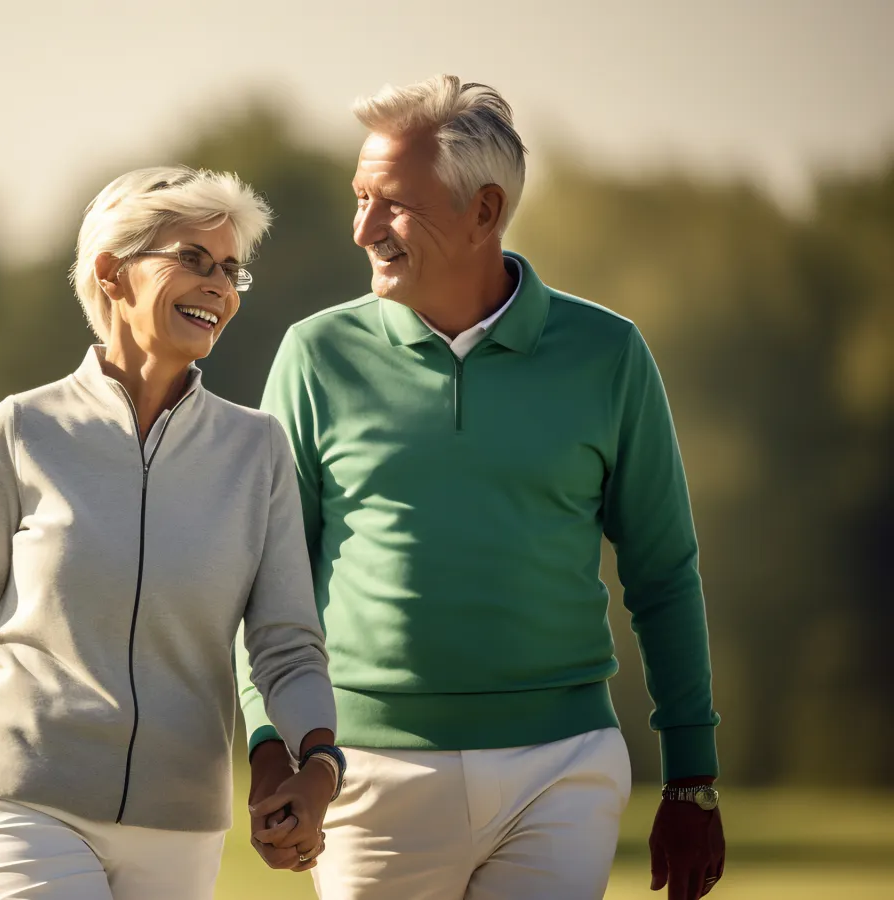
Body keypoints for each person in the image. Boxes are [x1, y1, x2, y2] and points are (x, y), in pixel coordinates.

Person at [237, 75, 727, 900]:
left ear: (485, 211)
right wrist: (271, 746)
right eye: (360, 199)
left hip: (561, 766)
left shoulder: (606, 355)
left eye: (391, 204)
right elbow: (263, 581)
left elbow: (664, 573)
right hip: (364, 770)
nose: (363, 229)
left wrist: (691, 780)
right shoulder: (315, 356)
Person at [0, 165, 341, 900]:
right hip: (25, 798)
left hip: (182, 821)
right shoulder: (22, 429)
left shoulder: (257, 450)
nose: (218, 287)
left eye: (230, 270)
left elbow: (287, 646)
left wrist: (319, 759)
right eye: (191, 260)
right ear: (111, 274)